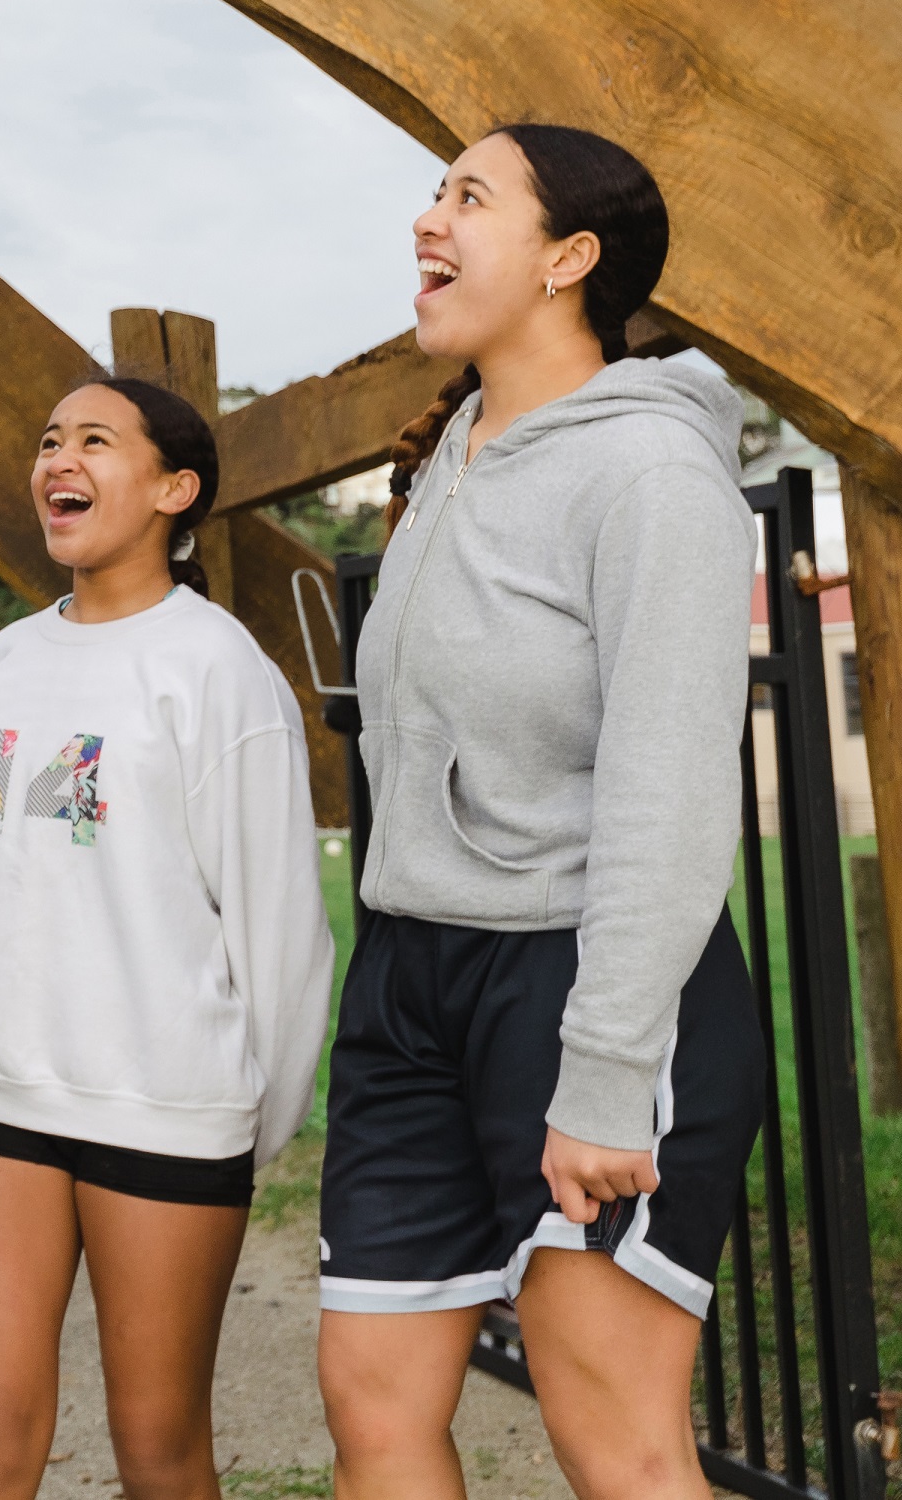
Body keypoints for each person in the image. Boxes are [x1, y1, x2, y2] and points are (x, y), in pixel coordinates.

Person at [315, 125, 762, 1500]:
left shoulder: (649, 475)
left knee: (614, 1443)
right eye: (431, 193)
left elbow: (672, 793)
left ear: (569, 259)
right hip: (407, 975)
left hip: (577, 976)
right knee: (372, 1408)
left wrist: (606, 1074)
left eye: (468, 197)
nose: (423, 223)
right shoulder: (452, 447)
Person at [0, 377, 332, 1500]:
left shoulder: (218, 669)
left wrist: (246, 1129)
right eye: (49, 437)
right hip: (0, 1098)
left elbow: (284, 933)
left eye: (96, 441)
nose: (60, 458)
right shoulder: (2, 662)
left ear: (174, 488)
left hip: (169, 1116)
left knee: (158, 1453)